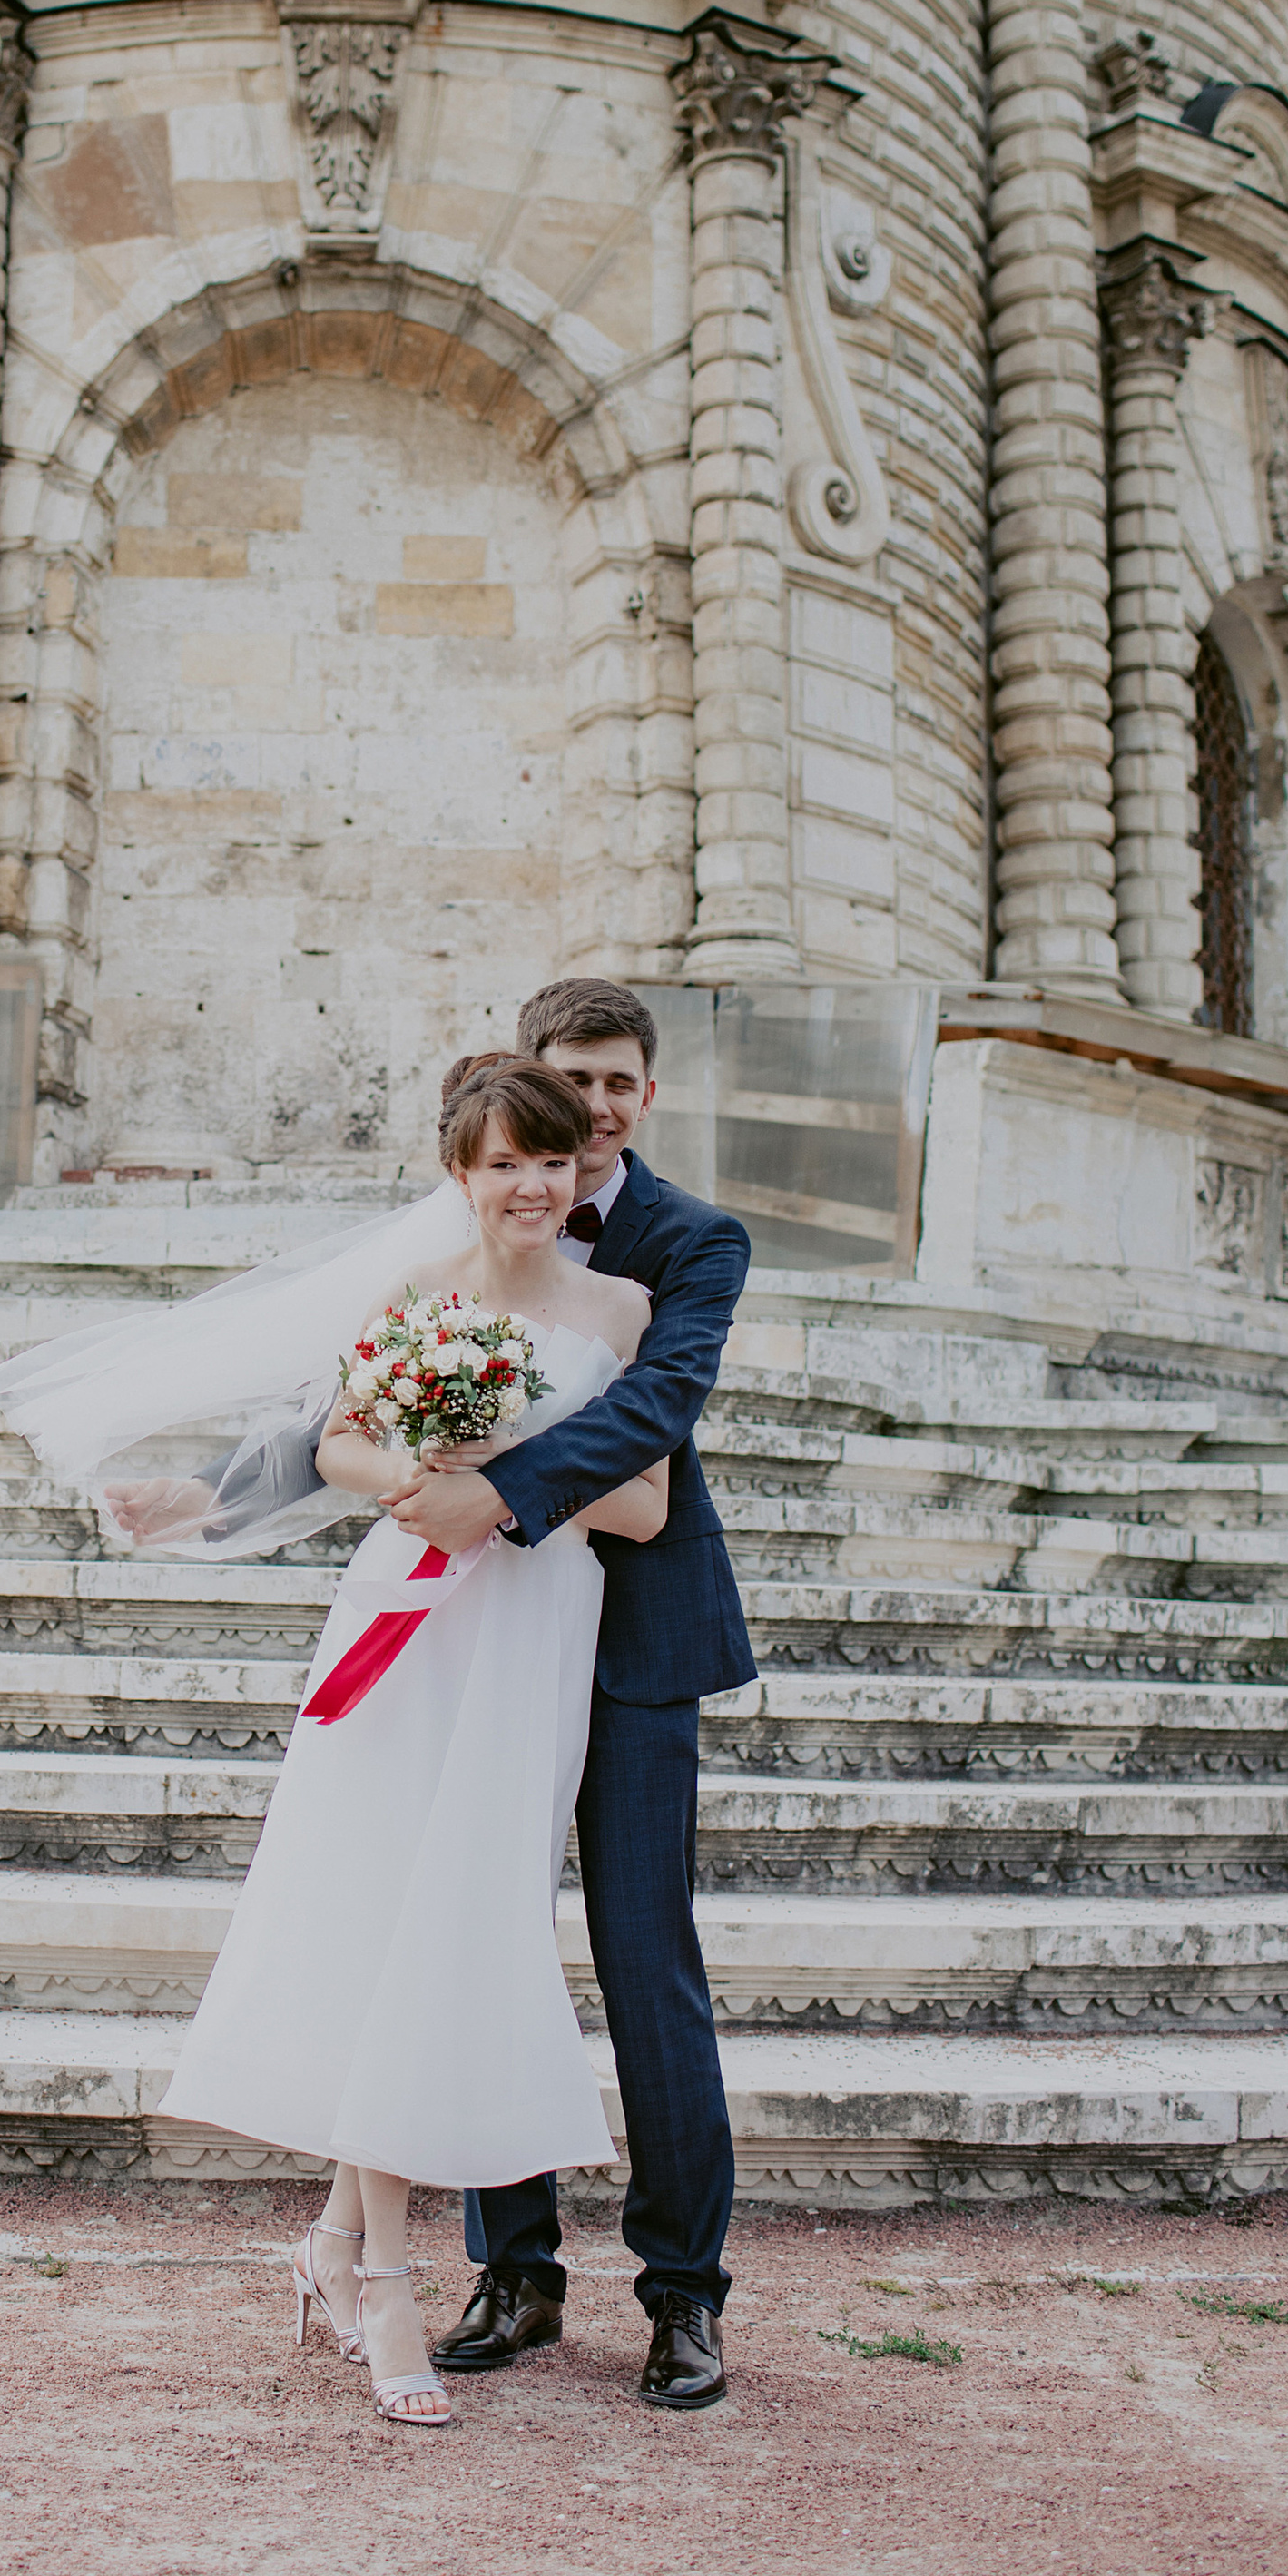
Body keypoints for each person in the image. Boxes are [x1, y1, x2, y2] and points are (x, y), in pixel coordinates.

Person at [0, 1052, 673, 2426]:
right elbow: (342, 1450)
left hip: (531, 1630)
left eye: (550, 1162)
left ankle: (339, 2246)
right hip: (405, 1622)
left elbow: (646, 1505)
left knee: (462, 1927)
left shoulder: (623, 1305)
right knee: (383, 1921)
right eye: (504, 1165)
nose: (532, 1186)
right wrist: (430, 1476)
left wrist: (509, 1491)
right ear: (461, 1176)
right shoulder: (422, 1304)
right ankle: (386, 2283)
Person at [387, 978, 753, 2412]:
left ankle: (684, 2296)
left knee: (648, 1965)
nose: (591, 1110)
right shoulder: (466, 1227)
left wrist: (497, 1495)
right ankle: (517, 2270)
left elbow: (657, 1413)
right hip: (492, 1638)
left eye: (615, 1083)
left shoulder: (695, 1241)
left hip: (642, 1641)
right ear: (517, 1085)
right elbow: (362, 1387)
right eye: (567, 1081)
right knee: (484, 1936)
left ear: (647, 1095)